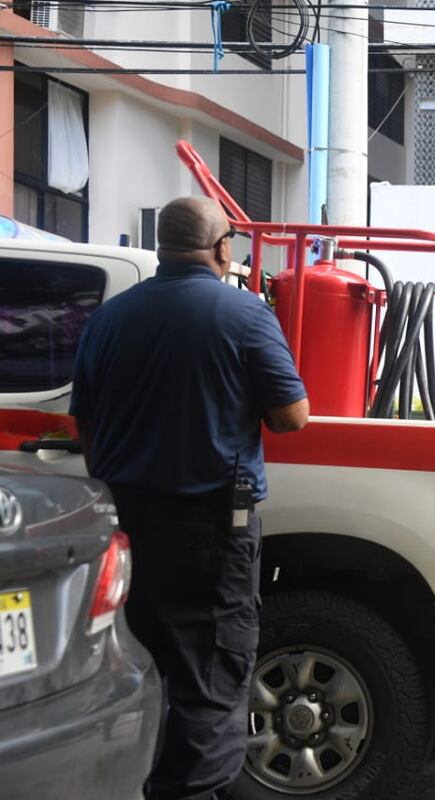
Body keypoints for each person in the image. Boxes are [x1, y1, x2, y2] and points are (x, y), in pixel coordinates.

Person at [70, 196, 310, 799]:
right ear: (224, 248)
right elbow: (292, 417)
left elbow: (86, 421)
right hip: (210, 533)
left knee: (141, 668)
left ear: (162, 248)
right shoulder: (244, 315)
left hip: (126, 524)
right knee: (210, 677)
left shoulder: (109, 318)